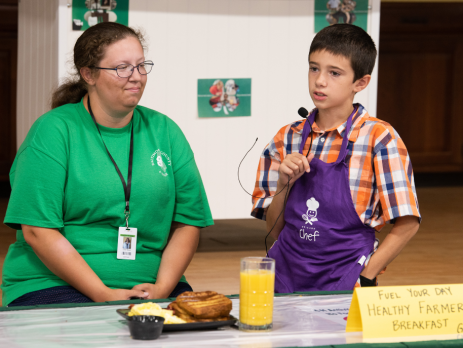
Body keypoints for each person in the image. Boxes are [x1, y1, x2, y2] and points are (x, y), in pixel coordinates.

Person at [2, 22, 213, 306]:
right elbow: (37, 231)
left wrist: (162, 287)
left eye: (141, 66)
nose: (136, 77)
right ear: (88, 74)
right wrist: (103, 295)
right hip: (52, 282)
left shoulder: (166, 130)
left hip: (152, 283)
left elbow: (188, 221)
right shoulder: (54, 130)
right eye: (122, 68)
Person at [251, 24, 420, 292]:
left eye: (335, 73)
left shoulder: (379, 138)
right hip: (285, 276)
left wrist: (366, 275)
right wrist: (285, 182)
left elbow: (408, 222)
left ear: (360, 83)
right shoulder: (287, 138)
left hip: (347, 278)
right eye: (314, 68)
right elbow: (273, 231)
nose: (320, 81)